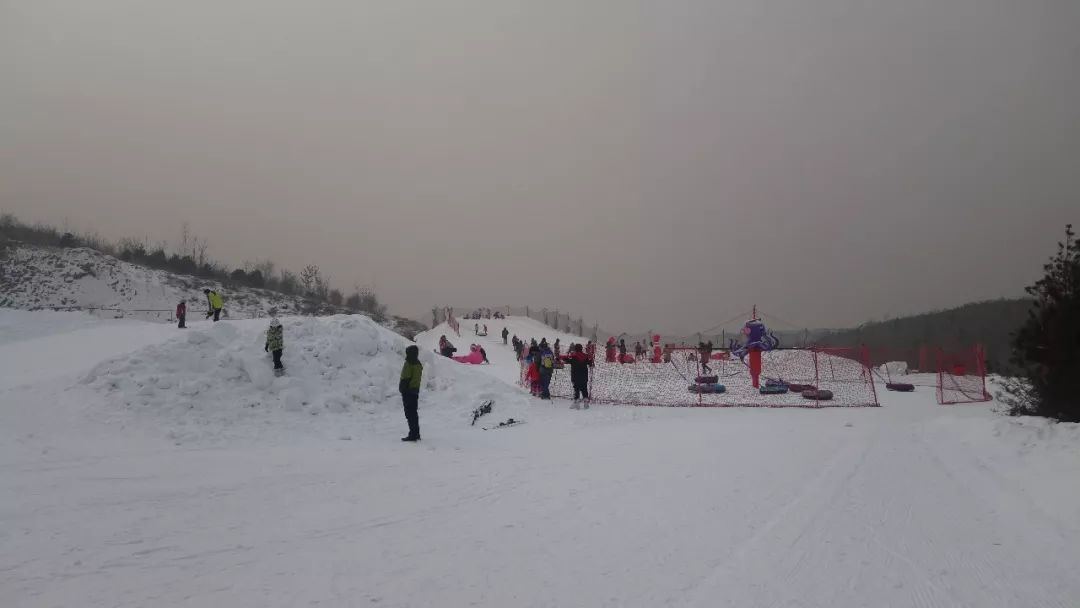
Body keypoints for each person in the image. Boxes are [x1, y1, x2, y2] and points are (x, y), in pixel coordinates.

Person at [399, 345, 423, 441]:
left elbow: (405, 376)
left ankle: (413, 434)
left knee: (409, 414)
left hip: (407, 391)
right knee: (413, 413)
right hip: (415, 391)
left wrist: (402, 388)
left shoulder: (409, 363)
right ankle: (416, 433)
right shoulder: (418, 364)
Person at [566, 343, 593, 408]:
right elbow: (590, 363)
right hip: (584, 375)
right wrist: (591, 359)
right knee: (584, 388)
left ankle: (576, 402)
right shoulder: (585, 356)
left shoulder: (573, 356)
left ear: (575, 349)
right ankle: (586, 403)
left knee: (576, 388)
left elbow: (568, 361)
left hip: (575, 375)